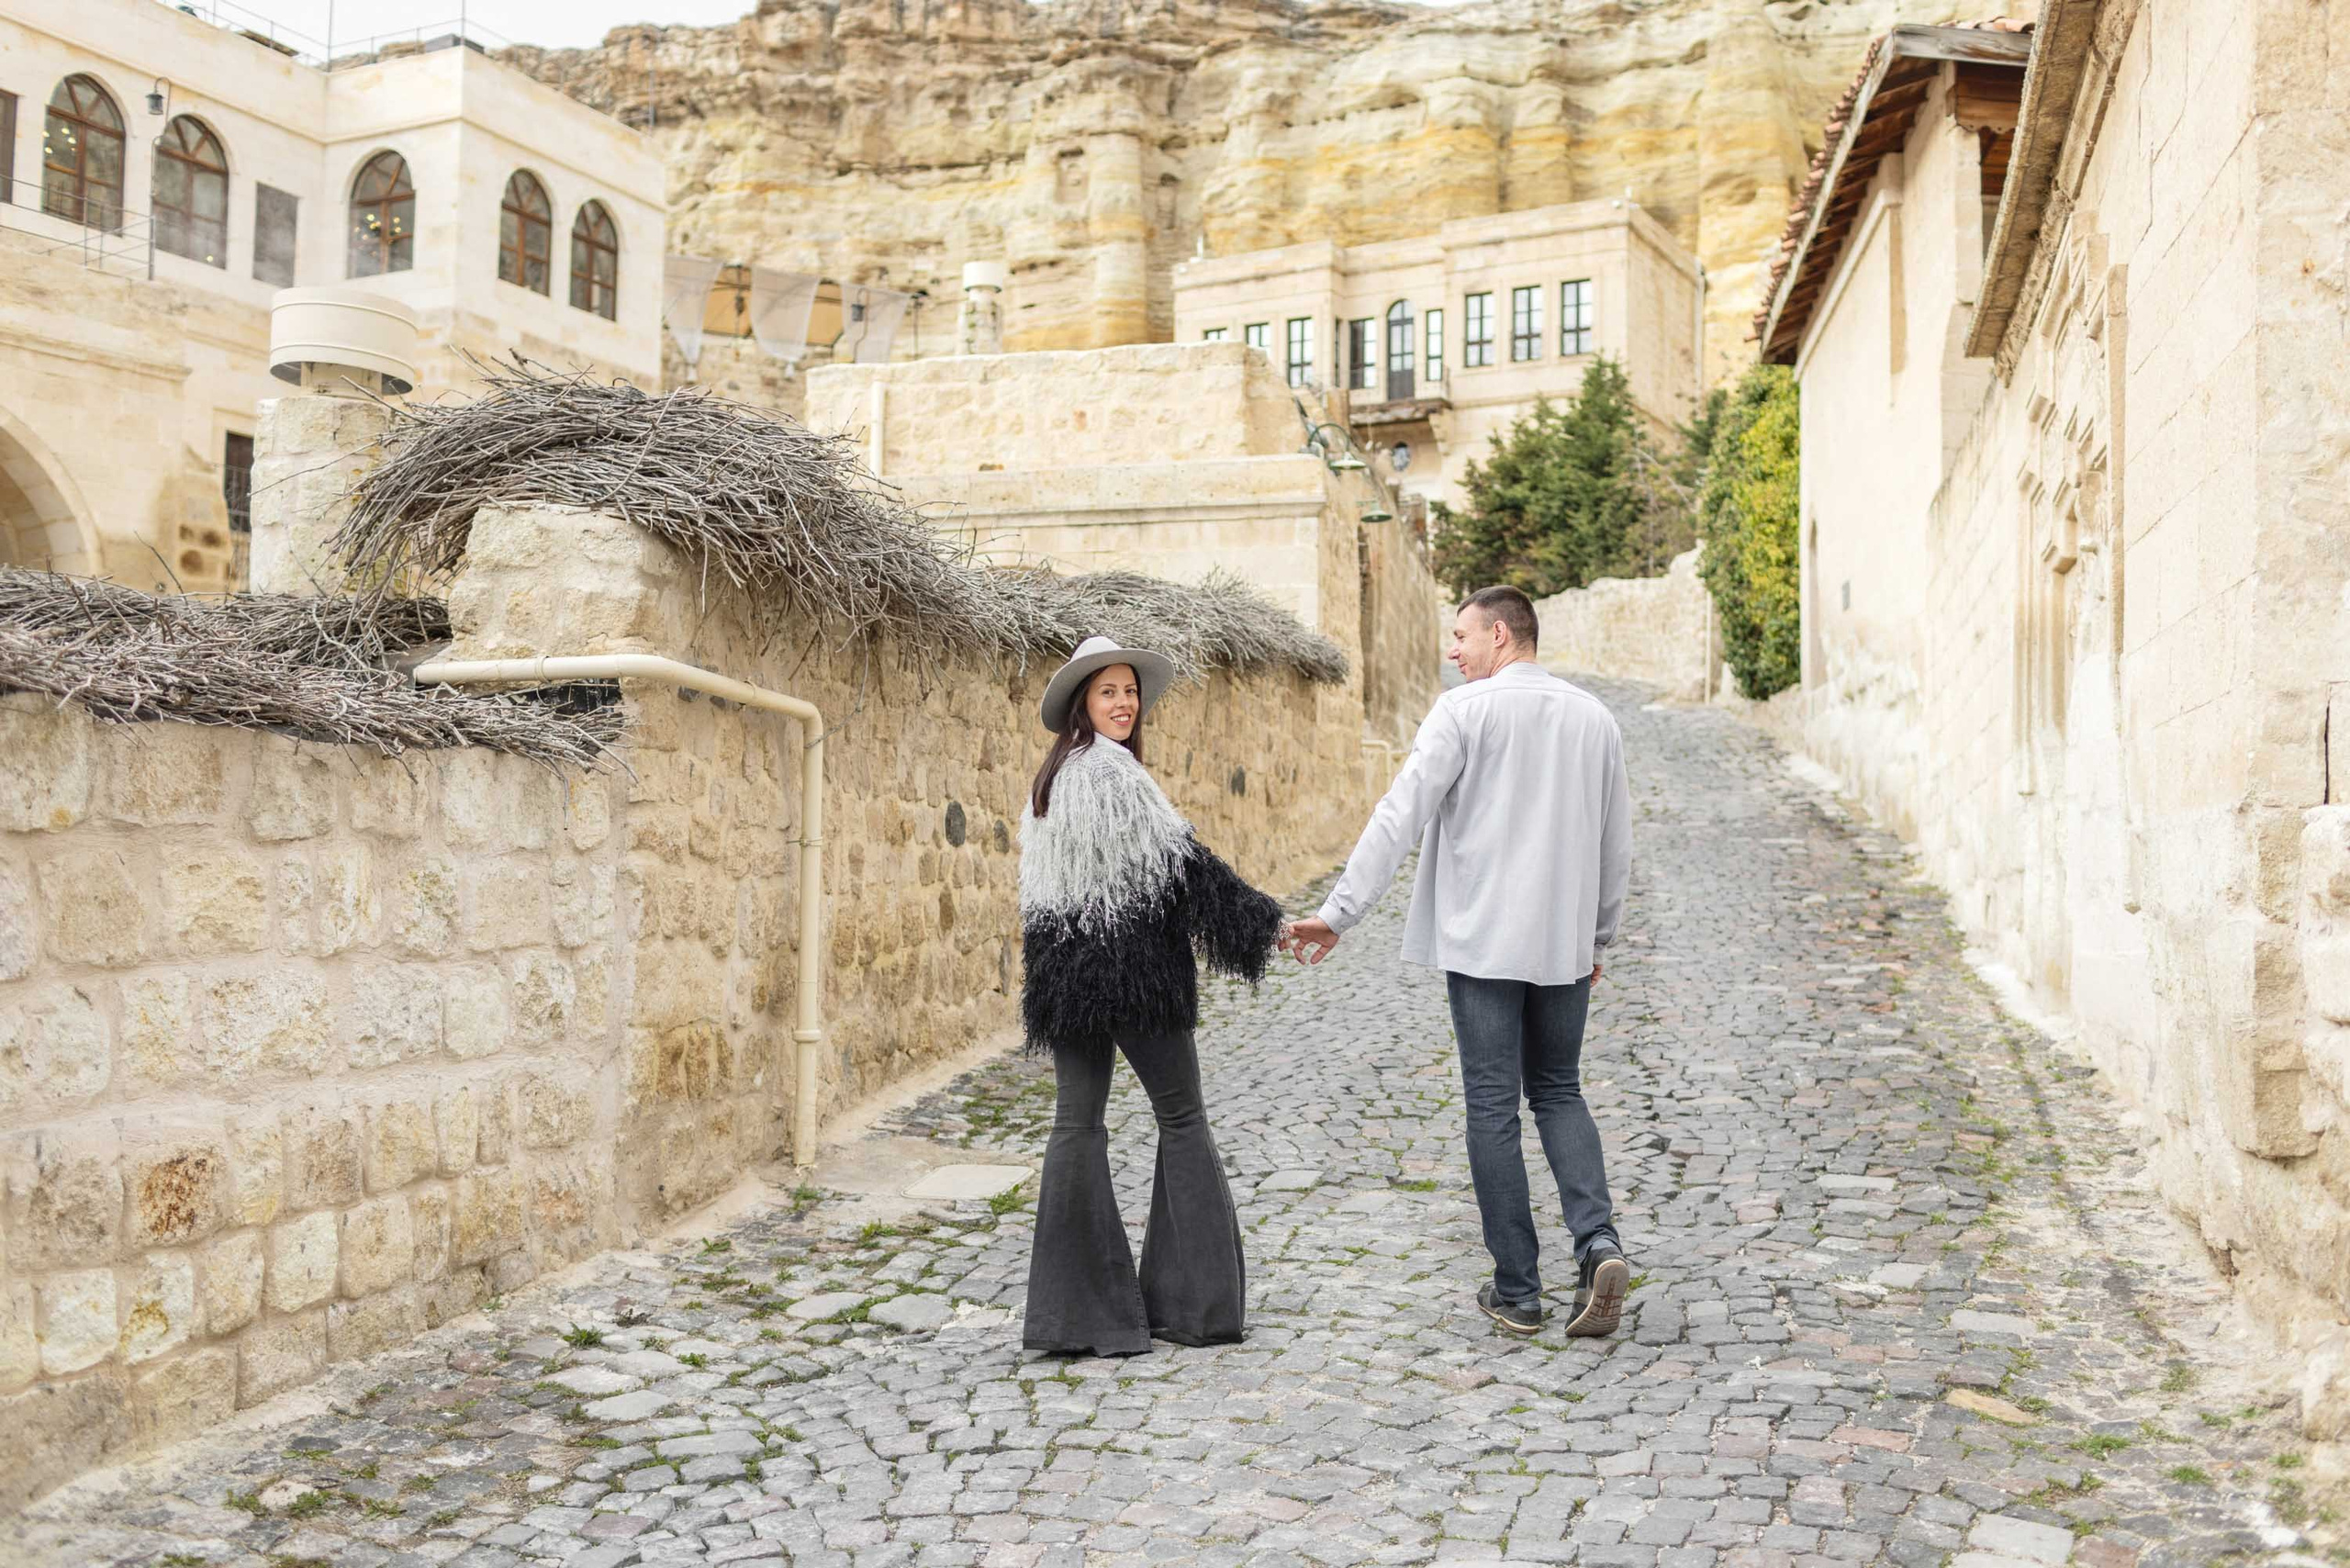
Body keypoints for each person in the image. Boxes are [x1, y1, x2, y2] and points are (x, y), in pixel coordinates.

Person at [1283, 587, 1633, 1338]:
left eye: (1461, 637)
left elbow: (1398, 814)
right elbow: (1616, 847)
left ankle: (1518, 1292)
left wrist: (1338, 913)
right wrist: (1597, 941)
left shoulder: (1463, 714)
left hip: (1483, 944)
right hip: (1562, 946)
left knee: (1491, 1106)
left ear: (1500, 636)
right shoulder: (1595, 720)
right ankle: (1598, 1243)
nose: (1452, 652)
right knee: (1560, 1090)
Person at [1018, 635, 1288, 1356]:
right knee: (1182, 1118)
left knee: (1077, 1127)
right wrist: (1269, 925)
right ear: (1083, 703)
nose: (1124, 702)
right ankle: (1197, 1307)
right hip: (1132, 975)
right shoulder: (1112, 773)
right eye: (1108, 692)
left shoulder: (1051, 779)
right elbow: (1185, 869)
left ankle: (1074, 1318)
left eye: (1130, 691)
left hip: (1069, 981)